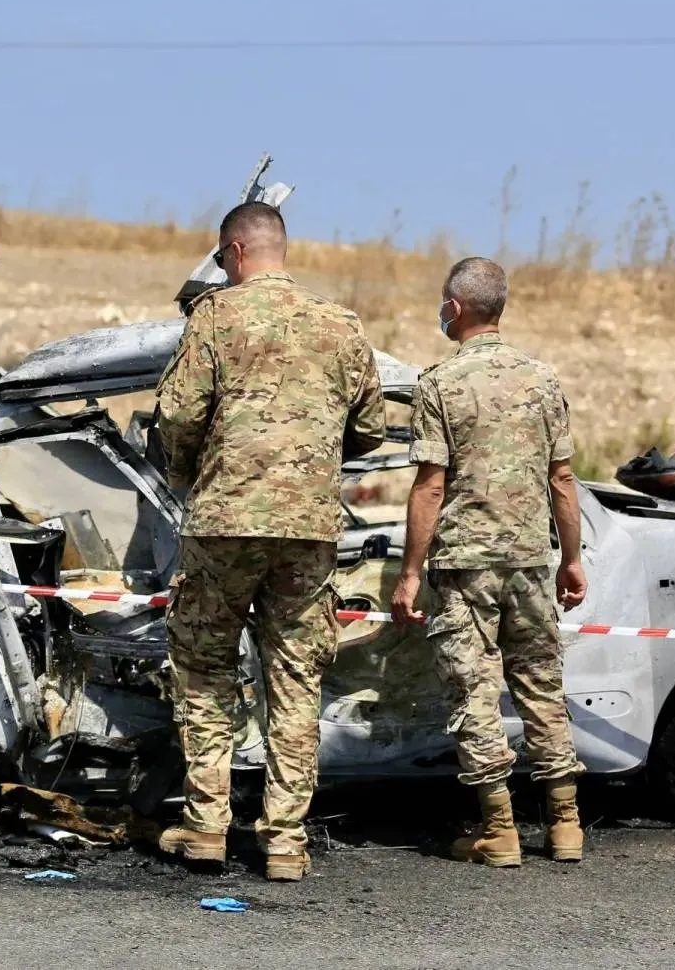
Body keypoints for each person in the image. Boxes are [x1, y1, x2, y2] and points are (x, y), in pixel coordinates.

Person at [154, 202, 386, 882]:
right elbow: (370, 429)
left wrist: (189, 473)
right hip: (309, 530)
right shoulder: (340, 326)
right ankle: (284, 842)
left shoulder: (215, 318)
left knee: (203, 670)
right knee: (294, 678)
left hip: (223, 523)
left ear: (234, 251)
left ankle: (206, 828)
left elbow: (178, 414)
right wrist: (312, 457)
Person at [391, 257, 587, 868]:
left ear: (455, 307)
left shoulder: (440, 384)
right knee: (541, 688)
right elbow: (562, 479)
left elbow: (429, 487)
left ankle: (498, 830)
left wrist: (410, 573)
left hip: (465, 565)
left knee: (475, 691)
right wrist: (572, 559)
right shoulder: (542, 380)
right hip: (530, 561)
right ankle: (565, 826)